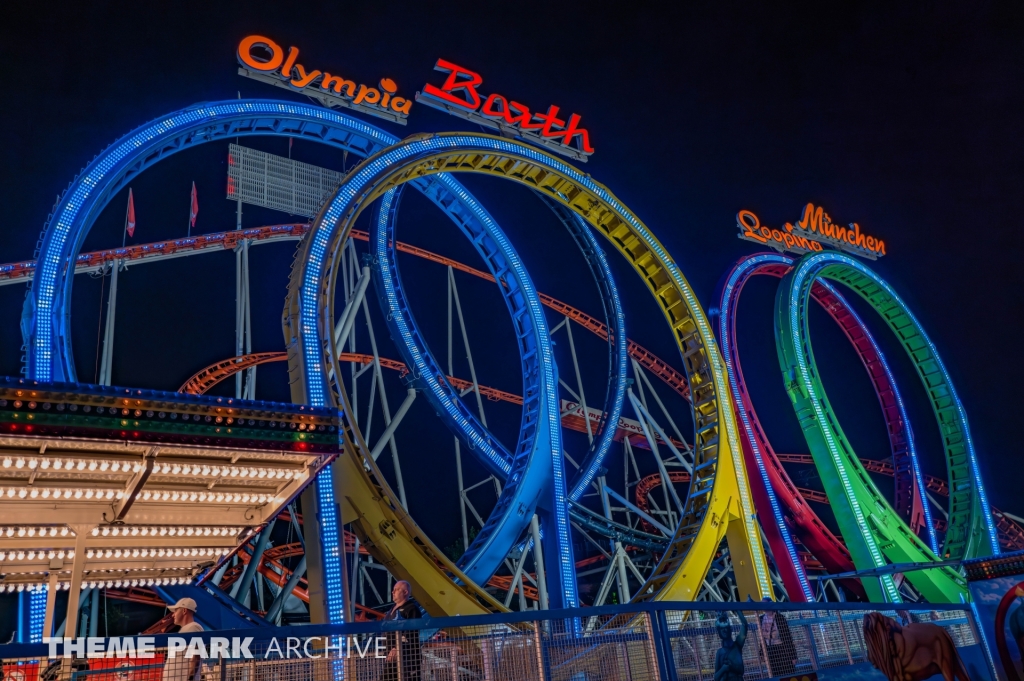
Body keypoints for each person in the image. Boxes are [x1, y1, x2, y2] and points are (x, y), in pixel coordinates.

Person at [382, 581, 423, 681]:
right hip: (392, 657)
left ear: (405, 592)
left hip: (407, 657)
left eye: (396, 589)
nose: (393, 592)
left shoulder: (411, 609)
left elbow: (411, 632)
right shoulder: (391, 610)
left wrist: (397, 648)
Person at [161, 598, 204, 681]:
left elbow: (196, 657)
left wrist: (190, 678)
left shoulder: (194, 627)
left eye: (176, 611)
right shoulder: (186, 630)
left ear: (184, 611)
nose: (173, 615)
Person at [759, 598, 796, 675]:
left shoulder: (780, 618)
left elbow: (787, 637)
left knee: (787, 672)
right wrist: (761, 652)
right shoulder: (761, 619)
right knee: (774, 672)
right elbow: (761, 638)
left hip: (782, 649)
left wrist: (793, 655)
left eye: (765, 604)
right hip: (769, 650)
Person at [713, 612, 747, 681]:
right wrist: (723, 669)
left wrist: (737, 608)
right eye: (722, 629)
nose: (724, 631)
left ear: (730, 629)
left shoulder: (737, 644)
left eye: (726, 628)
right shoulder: (719, 652)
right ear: (719, 632)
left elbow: (744, 625)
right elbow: (716, 677)